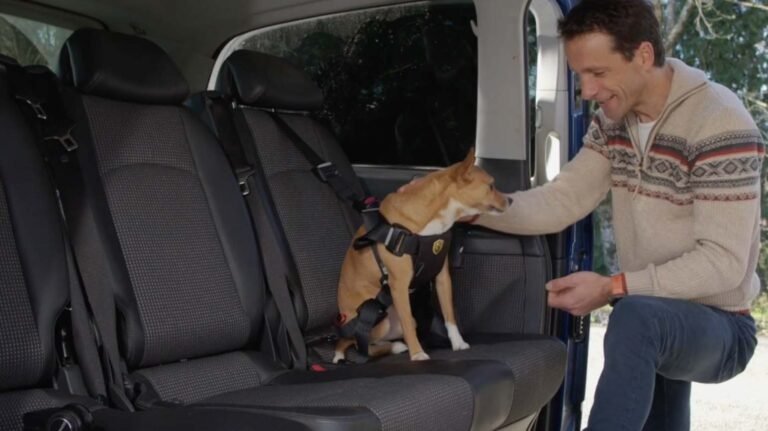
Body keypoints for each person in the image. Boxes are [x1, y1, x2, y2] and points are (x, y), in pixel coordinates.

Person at [472, 0, 761, 429]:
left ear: (643, 55)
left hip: (722, 326)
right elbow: (561, 200)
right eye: (580, 75)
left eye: (598, 73)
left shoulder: (718, 123)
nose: (587, 91)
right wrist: (469, 211)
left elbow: (723, 265)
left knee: (637, 317)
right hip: (657, 308)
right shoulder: (613, 123)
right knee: (644, 326)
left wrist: (613, 287)